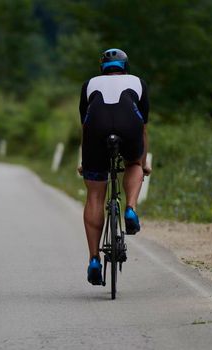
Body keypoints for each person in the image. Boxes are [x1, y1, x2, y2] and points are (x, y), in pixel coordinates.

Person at [78, 48, 151, 285]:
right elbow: (142, 127)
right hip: (129, 127)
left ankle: (93, 260)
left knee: (95, 196)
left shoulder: (89, 84)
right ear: (125, 67)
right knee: (133, 163)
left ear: (102, 69)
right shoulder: (138, 82)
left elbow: (85, 126)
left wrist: (84, 161)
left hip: (96, 132)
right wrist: (141, 161)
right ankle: (130, 209)